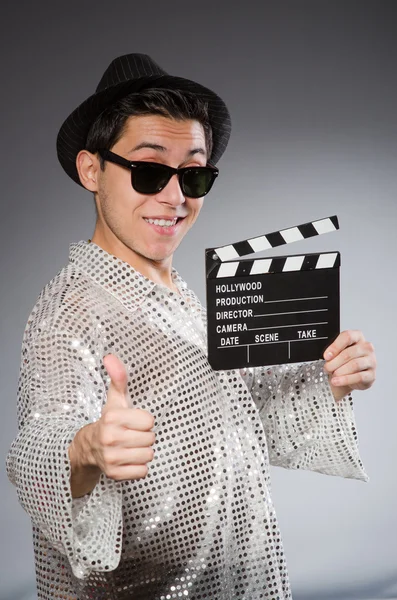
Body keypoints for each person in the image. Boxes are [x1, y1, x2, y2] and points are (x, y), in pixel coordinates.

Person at [6, 53, 376, 600]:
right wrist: (86, 448)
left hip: (235, 577)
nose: (175, 197)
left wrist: (332, 378)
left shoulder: (182, 297)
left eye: (195, 174)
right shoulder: (73, 307)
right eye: (149, 170)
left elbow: (241, 415)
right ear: (92, 170)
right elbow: (38, 441)